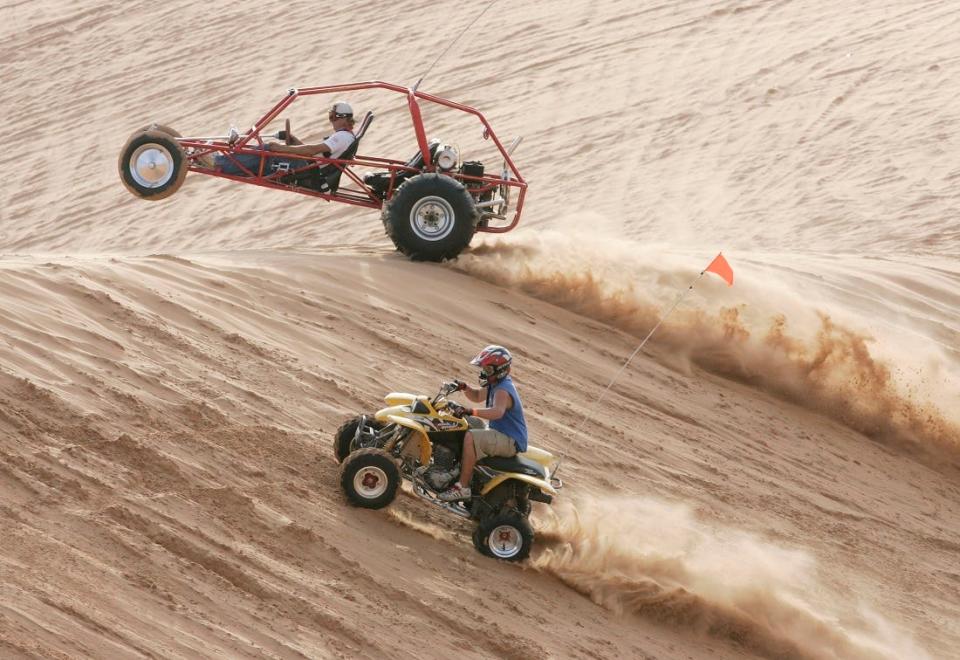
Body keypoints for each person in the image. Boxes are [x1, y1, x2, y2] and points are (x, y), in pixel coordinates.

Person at [439, 345, 528, 502]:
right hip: (500, 433)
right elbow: (477, 396)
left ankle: (462, 487)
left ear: (499, 370)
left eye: (487, 369)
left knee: (471, 437)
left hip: (509, 440)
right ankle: (454, 468)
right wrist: (464, 387)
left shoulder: (503, 390)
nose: (483, 372)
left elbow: (497, 412)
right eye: (483, 368)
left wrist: (470, 411)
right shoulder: (496, 384)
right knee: (463, 423)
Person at [210, 101, 357, 174]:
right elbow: (317, 155)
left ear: (342, 118)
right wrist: (293, 140)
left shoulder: (341, 137)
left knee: (265, 152)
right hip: (310, 167)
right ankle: (222, 162)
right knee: (262, 154)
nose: (331, 120)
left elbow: (312, 150)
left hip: (307, 171)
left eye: (332, 117)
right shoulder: (346, 137)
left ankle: (218, 163)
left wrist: (281, 147)